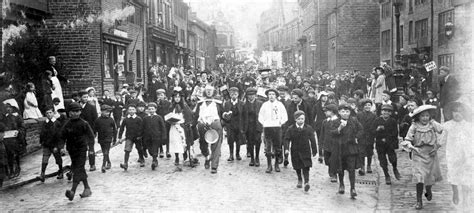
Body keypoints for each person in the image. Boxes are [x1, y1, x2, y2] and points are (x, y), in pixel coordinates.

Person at [400, 105, 443, 210]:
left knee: (429, 177)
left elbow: (442, 131)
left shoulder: (432, 124)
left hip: (431, 153)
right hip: (418, 153)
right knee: (419, 177)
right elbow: (407, 140)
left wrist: (437, 146)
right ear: (418, 117)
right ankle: (419, 200)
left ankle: (428, 189)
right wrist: (412, 147)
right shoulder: (414, 126)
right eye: (422, 116)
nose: (425, 118)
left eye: (427, 116)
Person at [443, 102, 473, 210]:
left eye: (460, 111)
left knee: (466, 177)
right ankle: (455, 191)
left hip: (466, 154)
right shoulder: (448, 125)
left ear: (464, 113)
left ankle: (465, 198)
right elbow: (441, 140)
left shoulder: (469, 126)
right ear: (451, 113)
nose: (457, 114)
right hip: (452, 154)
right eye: (455, 111)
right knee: (453, 174)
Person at [62, 102, 94, 201]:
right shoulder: (67, 124)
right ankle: (87, 188)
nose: (76, 113)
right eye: (73, 111)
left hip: (82, 149)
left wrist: (91, 149)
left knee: (78, 169)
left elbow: (91, 136)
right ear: (69, 113)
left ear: (80, 112)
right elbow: (62, 136)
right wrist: (61, 147)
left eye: (78, 111)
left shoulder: (84, 123)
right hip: (72, 150)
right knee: (79, 168)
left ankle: (73, 191)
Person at [329, 104, 363, 199]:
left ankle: (353, 188)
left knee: (351, 169)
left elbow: (361, 130)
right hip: (339, 149)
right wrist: (339, 128)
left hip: (351, 149)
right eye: (343, 111)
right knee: (340, 168)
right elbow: (331, 132)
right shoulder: (335, 121)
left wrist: (356, 137)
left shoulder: (354, 121)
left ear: (350, 112)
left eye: (347, 111)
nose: (345, 113)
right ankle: (341, 185)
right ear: (339, 112)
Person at [284, 110, 317, 192]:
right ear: (295, 119)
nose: (301, 120)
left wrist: (314, 150)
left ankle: (306, 182)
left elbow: (312, 140)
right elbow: (287, 139)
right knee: (297, 166)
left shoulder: (308, 128)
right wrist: (287, 148)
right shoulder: (291, 129)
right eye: (299, 119)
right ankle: (299, 179)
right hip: (295, 150)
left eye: (302, 119)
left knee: (306, 166)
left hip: (305, 150)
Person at [258, 88, 288, 173]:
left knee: (277, 147)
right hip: (267, 127)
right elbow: (260, 115)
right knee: (268, 147)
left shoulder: (280, 105)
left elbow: (285, 116)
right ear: (267, 96)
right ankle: (269, 165)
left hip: (277, 127)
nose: (271, 96)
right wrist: (263, 123)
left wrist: (280, 122)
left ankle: (276, 165)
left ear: (276, 96)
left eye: (273, 94)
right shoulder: (264, 105)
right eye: (270, 94)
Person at [195, 85, 224, 174]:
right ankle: (207, 156)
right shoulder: (200, 103)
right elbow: (196, 115)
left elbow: (223, 115)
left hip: (215, 124)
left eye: (210, 90)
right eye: (207, 90)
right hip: (202, 125)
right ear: (204, 92)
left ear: (214, 92)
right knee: (203, 144)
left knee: (216, 145)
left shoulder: (218, 103)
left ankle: (214, 166)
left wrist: (221, 123)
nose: (208, 92)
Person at [373, 104, 400, 185]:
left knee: (393, 158)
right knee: (382, 161)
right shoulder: (377, 121)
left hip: (390, 143)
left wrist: (387, 139)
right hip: (380, 144)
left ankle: (395, 168)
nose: (386, 113)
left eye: (388, 111)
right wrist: (377, 130)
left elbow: (395, 133)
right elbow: (372, 132)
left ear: (391, 113)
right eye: (384, 111)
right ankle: (386, 175)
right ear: (381, 111)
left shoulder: (392, 121)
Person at [168, 88, 194, 168]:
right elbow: (168, 115)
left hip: (182, 127)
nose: (177, 98)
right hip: (174, 127)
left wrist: (187, 123)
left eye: (178, 97)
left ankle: (185, 156)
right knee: (175, 142)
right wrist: (169, 120)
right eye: (175, 97)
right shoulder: (171, 106)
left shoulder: (184, 106)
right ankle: (176, 157)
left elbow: (189, 115)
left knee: (183, 141)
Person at [37, 107, 65, 182]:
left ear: (53, 113)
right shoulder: (44, 123)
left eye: (50, 112)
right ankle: (42, 174)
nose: (49, 114)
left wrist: (57, 146)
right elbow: (42, 134)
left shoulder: (57, 123)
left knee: (58, 159)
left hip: (54, 145)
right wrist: (41, 142)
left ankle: (61, 171)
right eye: (47, 113)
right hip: (46, 145)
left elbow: (59, 136)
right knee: (44, 159)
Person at [1, 104, 25, 178]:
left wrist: (18, 131)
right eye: (7, 108)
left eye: (10, 107)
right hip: (7, 139)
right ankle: (11, 170)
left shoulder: (17, 116)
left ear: (13, 108)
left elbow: (23, 127)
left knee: (16, 154)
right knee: (9, 155)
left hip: (16, 139)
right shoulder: (5, 117)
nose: (8, 109)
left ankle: (17, 167)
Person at [118, 104, 144, 170]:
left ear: (135, 110)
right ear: (128, 110)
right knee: (127, 150)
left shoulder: (138, 119)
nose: (131, 111)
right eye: (130, 110)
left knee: (139, 149)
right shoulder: (126, 119)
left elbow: (142, 128)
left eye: (133, 109)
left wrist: (140, 135)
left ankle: (142, 159)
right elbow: (122, 128)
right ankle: (125, 163)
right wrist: (120, 137)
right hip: (129, 137)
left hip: (137, 137)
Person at [242, 87, 263, 167]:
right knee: (250, 142)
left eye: (253, 95)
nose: (251, 97)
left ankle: (257, 157)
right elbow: (242, 117)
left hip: (257, 125)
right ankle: (252, 158)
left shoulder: (260, 103)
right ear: (247, 96)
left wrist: (262, 125)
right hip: (248, 126)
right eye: (249, 95)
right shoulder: (244, 104)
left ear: (255, 95)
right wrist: (243, 128)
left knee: (258, 141)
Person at [143, 102, 166, 170]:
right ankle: (154, 157)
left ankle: (154, 161)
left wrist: (164, 136)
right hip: (148, 137)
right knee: (150, 150)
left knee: (155, 149)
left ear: (155, 109)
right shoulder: (145, 118)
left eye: (152, 109)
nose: (151, 110)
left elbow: (163, 127)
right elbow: (143, 127)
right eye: (149, 109)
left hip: (156, 136)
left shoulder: (159, 117)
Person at [78, 90, 98, 171]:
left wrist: (95, 131)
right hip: (79, 132)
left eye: (87, 97)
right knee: (81, 149)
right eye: (84, 97)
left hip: (89, 131)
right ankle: (80, 166)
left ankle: (92, 164)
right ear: (80, 98)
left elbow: (95, 120)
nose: (86, 98)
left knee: (91, 149)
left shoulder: (91, 107)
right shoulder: (76, 107)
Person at [223, 87, 244, 161]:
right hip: (230, 124)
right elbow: (224, 115)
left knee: (238, 140)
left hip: (239, 124)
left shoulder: (241, 103)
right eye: (232, 94)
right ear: (230, 95)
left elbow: (243, 115)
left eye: (235, 94)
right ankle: (231, 154)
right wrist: (225, 125)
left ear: (238, 94)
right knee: (230, 140)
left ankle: (237, 154)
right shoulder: (227, 103)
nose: (233, 96)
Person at [93, 105, 117, 173]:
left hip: (108, 138)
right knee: (105, 152)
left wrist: (114, 139)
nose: (108, 113)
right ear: (101, 112)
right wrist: (94, 135)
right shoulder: (98, 120)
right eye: (106, 112)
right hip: (101, 138)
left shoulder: (110, 119)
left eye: (109, 112)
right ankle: (108, 162)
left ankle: (103, 166)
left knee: (106, 152)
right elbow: (95, 129)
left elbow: (115, 130)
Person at [356, 99, 377, 175]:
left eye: (369, 105)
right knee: (361, 151)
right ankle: (362, 166)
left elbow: (375, 125)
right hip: (361, 136)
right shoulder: (359, 114)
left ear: (371, 106)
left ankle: (369, 165)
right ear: (363, 106)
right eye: (365, 105)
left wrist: (374, 134)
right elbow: (356, 125)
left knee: (369, 151)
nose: (367, 107)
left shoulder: (373, 115)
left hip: (370, 135)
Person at [312, 91, 329, 163]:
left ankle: (326, 154)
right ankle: (320, 155)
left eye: (326, 96)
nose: (325, 98)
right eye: (323, 96)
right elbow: (313, 115)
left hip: (327, 125)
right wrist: (313, 126)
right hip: (319, 125)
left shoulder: (329, 105)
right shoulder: (317, 105)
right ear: (320, 97)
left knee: (327, 139)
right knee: (319, 140)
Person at [156, 89, 172, 158]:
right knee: (159, 136)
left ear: (164, 95)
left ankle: (168, 151)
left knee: (167, 136)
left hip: (166, 122)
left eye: (161, 95)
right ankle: (161, 151)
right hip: (159, 122)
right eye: (159, 95)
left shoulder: (168, 103)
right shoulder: (156, 104)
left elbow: (170, 112)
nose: (160, 96)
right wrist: (157, 104)